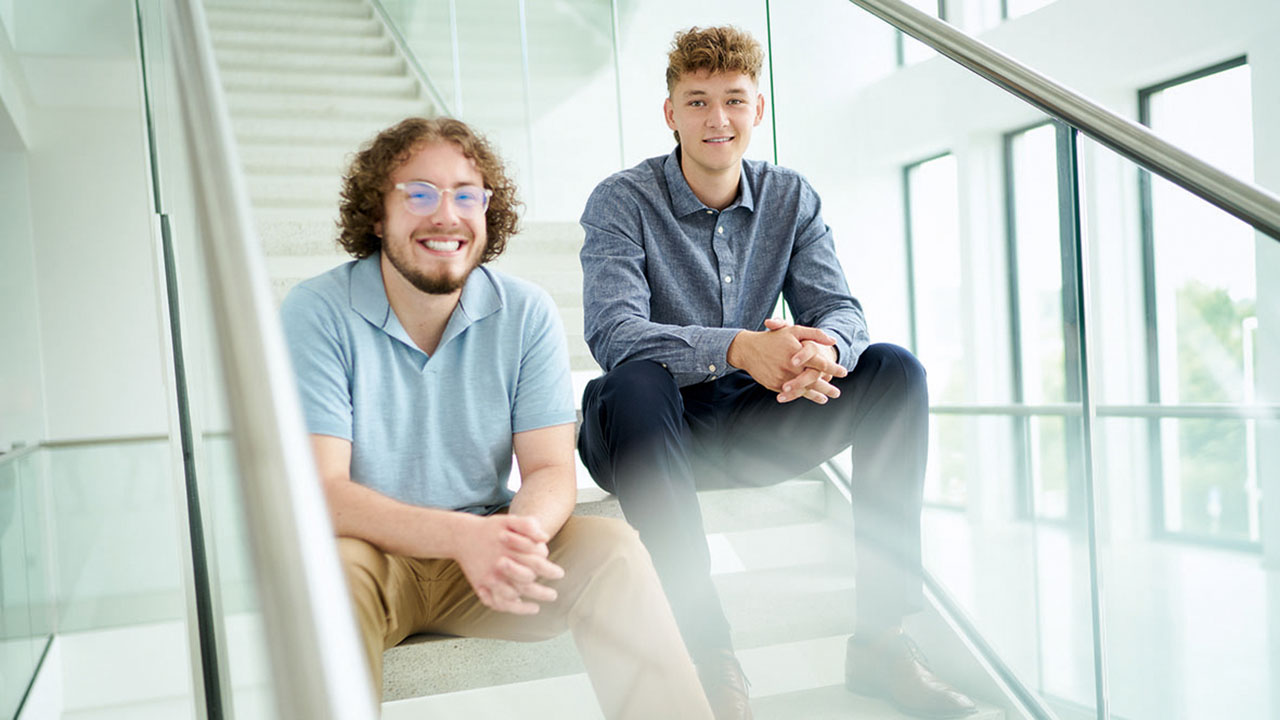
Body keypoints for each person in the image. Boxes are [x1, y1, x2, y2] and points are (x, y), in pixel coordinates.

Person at [577, 26, 978, 720]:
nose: (717, 119)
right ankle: (706, 651)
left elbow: (842, 310)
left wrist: (826, 348)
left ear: (757, 110)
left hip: (750, 419)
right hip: (646, 428)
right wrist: (736, 347)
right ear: (670, 113)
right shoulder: (621, 201)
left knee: (894, 371)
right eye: (698, 102)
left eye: (734, 100)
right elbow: (615, 334)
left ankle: (882, 641)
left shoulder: (792, 197)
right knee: (635, 378)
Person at [280, 116, 713, 720]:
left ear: (488, 212)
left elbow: (549, 471)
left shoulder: (527, 311)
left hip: (491, 541)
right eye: (420, 194)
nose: (446, 215)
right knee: (329, 578)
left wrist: (518, 537)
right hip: (370, 555)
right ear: (377, 214)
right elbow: (323, 493)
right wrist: (466, 538)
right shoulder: (316, 311)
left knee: (613, 548)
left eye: (466, 195)